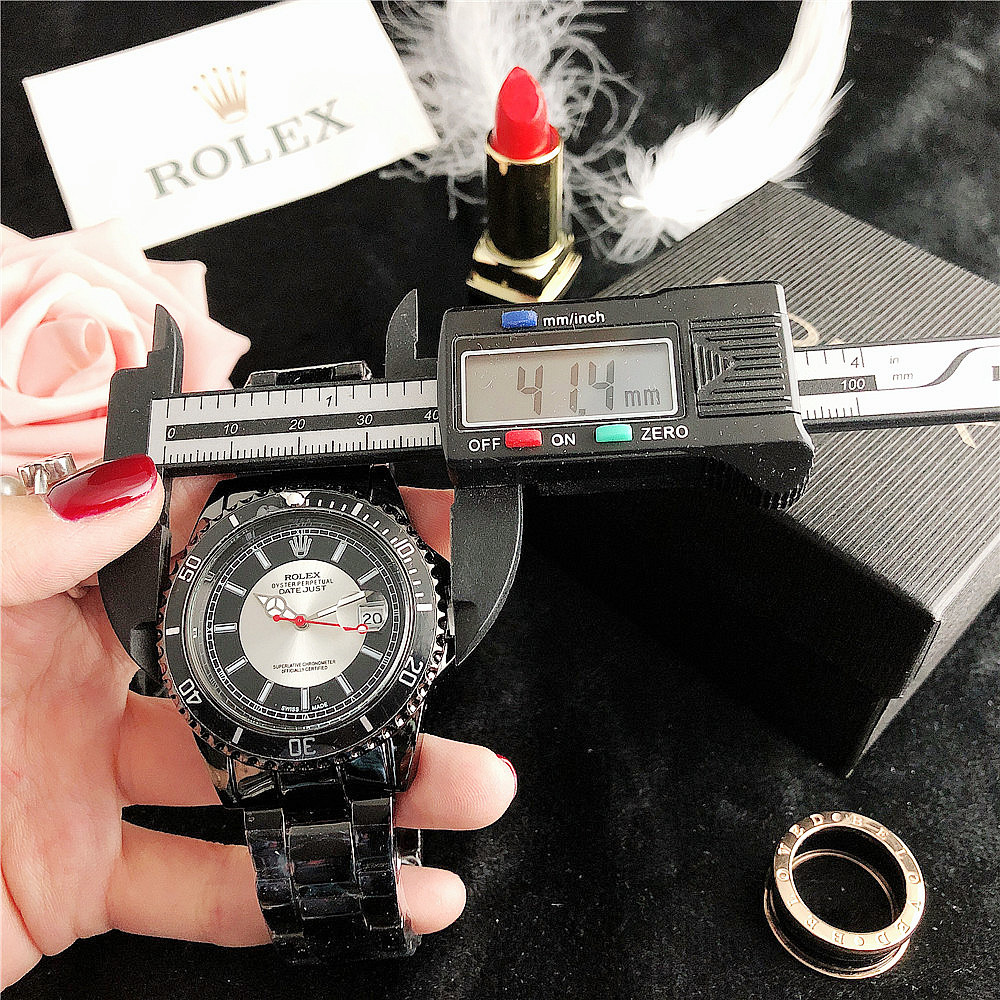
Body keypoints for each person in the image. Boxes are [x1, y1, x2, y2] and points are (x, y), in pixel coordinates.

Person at [0, 456, 517, 988]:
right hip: (280, 729)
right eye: (292, 619)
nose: (300, 622)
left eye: (305, 619)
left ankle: (359, 896)